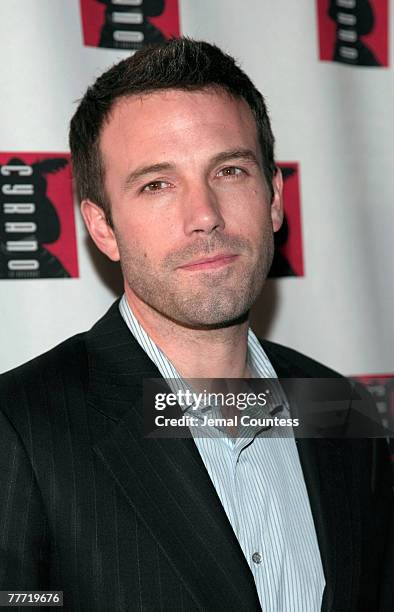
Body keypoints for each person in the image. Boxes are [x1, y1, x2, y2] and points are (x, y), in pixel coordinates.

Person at [0, 38, 392, 612]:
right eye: (156, 184)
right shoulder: (20, 430)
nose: (204, 214)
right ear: (103, 227)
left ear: (275, 199)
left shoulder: (342, 411)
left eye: (230, 170)